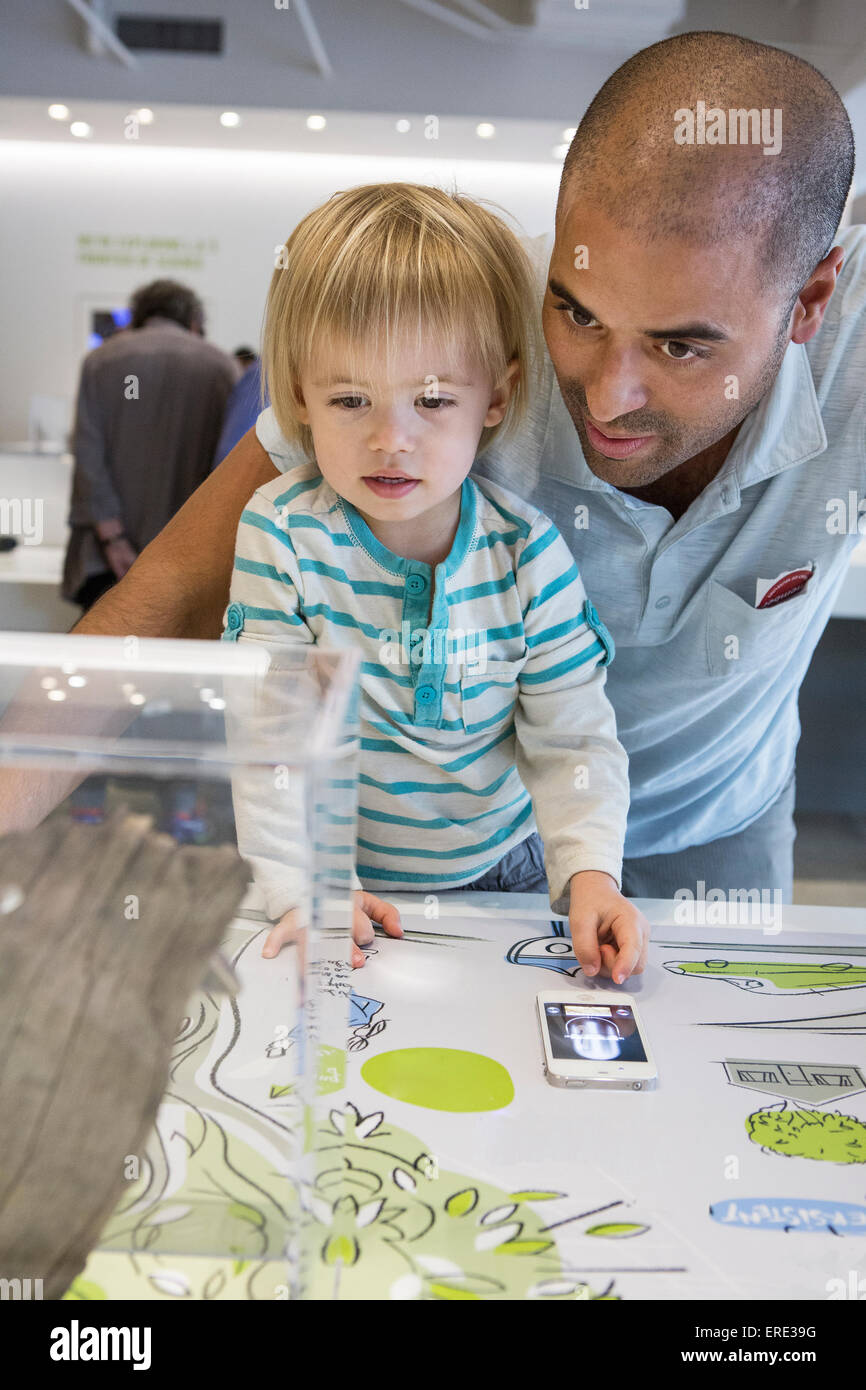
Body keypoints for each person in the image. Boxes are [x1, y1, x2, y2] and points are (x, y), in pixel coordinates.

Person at [22, 30, 863, 978]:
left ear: (810, 302)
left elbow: (568, 719)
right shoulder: (459, 317)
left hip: (703, 817)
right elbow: (177, 600)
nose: (604, 394)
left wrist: (586, 862)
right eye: (577, 315)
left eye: (680, 346)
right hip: (406, 859)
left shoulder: (529, 540)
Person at [222, 184, 647, 977]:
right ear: (298, 400)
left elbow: (572, 737)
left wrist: (590, 873)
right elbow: (273, 739)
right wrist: (304, 885)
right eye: (350, 399)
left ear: (497, 396)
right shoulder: (281, 531)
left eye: (433, 401)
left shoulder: (529, 553)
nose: (391, 440)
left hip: (508, 877)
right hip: (340, 878)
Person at [63, 278, 239, 611]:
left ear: (138, 317)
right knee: (178, 659)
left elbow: (88, 457)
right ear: (194, 322)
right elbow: (230, 466)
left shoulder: (100, 361)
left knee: (105, 656)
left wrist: (113, 540)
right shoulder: (221, 367)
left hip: (107, 559)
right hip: (188, 563)